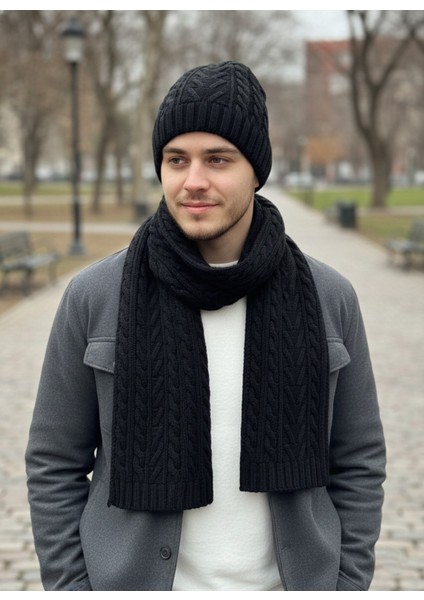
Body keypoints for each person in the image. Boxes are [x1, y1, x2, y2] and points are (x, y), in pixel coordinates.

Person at [25, 61, 386, 592]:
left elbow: (359, 460)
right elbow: (53, 462)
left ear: (256, 170)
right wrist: (73, 587)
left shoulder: (331, 297)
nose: (193, 181)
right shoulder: (94, 297)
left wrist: (347, 584)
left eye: (218, 159)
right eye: (177, 160)